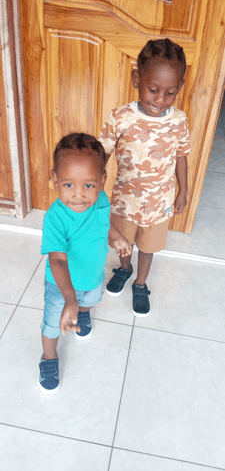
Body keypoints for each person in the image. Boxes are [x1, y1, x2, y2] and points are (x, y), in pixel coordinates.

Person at [98, 38, 190, 318]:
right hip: (124, 202)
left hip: (159, 203)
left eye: (170, 93)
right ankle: (125, 269)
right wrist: (92, 187)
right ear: (137, 79)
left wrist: (183, 190)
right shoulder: (120, 117)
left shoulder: (179, 121)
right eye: (153, 90)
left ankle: (140, 283)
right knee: (123, 242)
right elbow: (101, 155)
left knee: (148, 247)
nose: (160, 100)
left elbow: (181, 156)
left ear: (179, 88)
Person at [39, 133, 132, 394]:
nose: (79, 195)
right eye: (68, 185)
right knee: (51, 324)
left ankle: (83, 312)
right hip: (61, 287)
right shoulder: (55, 218)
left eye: (88, 186)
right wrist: (69, 298)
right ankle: (49, 358)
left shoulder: (101, 200)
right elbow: (57, 259)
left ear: (102, 182)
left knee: (90, 301)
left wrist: (117, 237)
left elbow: (105, 224)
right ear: (55, 178)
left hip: (92, 276)